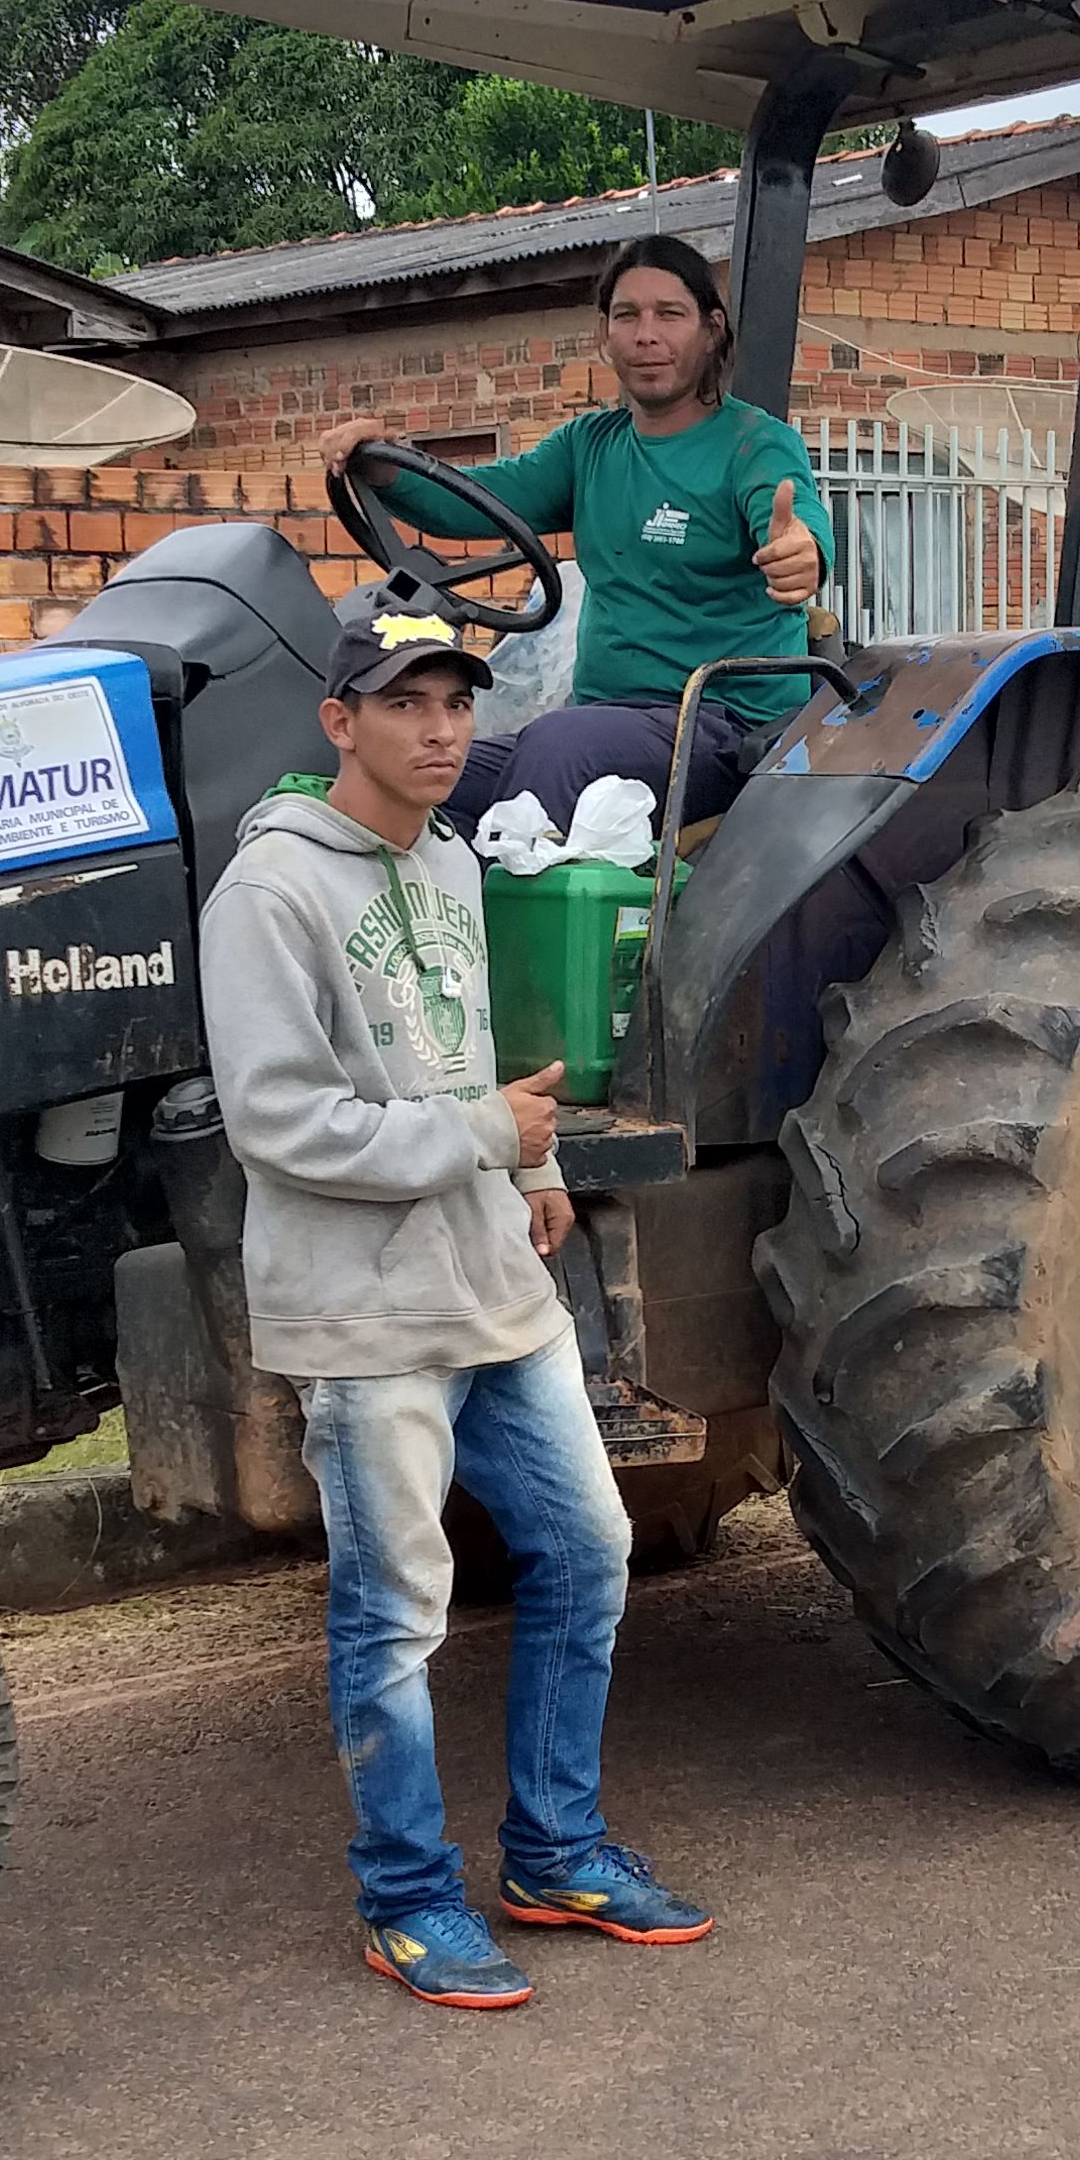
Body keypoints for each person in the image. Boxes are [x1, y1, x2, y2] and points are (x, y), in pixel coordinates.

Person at [197, 602, 719, 2007]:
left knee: (589, 1548)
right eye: (407, 704)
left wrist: (531, 1163)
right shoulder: (271, 894)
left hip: (490, 1282)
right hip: (364, 1314)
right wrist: (485, 1137)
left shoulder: (444, 861)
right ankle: (407, 1898)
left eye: (456, 703)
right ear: (340, 722)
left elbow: (469, 1061)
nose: (440, 731)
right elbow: (280, 1123)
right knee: (396, 1608)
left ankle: (554, 1852)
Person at [322, 232, 835, 839]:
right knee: (418, 778)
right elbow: (477, 504)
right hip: (606, 719)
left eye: (670, 314)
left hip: (724, 726)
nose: (647, 335)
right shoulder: (589, 446)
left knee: (560, 747)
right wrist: (381, 465)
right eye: (628, 315)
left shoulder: (754, 442)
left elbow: (789, 514)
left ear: (711, 329)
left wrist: (802, 554)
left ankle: (531, 933)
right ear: (604, 335)